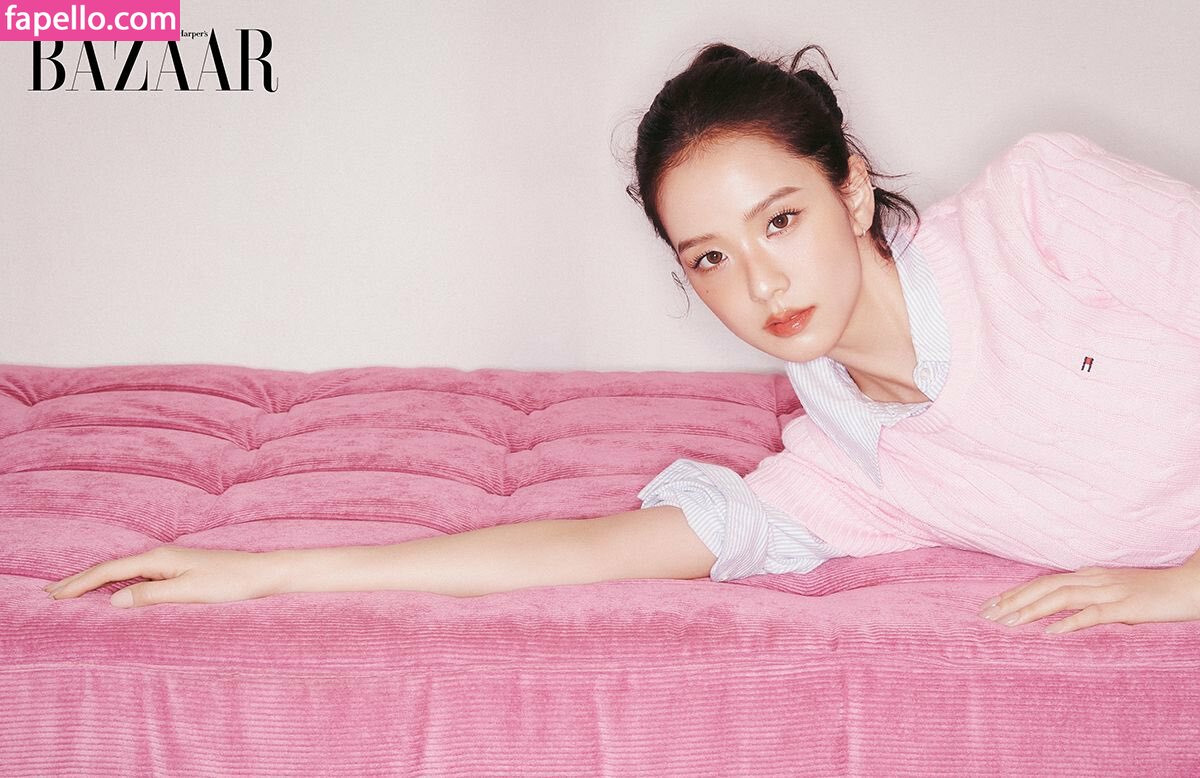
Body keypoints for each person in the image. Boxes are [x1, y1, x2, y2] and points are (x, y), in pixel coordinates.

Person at [43, 42, 1200, 636]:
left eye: (780, 220)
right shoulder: (857, 466)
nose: (760, 282)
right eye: (710, 257)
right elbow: (590, 550)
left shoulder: (1041, 210)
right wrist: (268, 572)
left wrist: (1188, 585)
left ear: (849, 188)